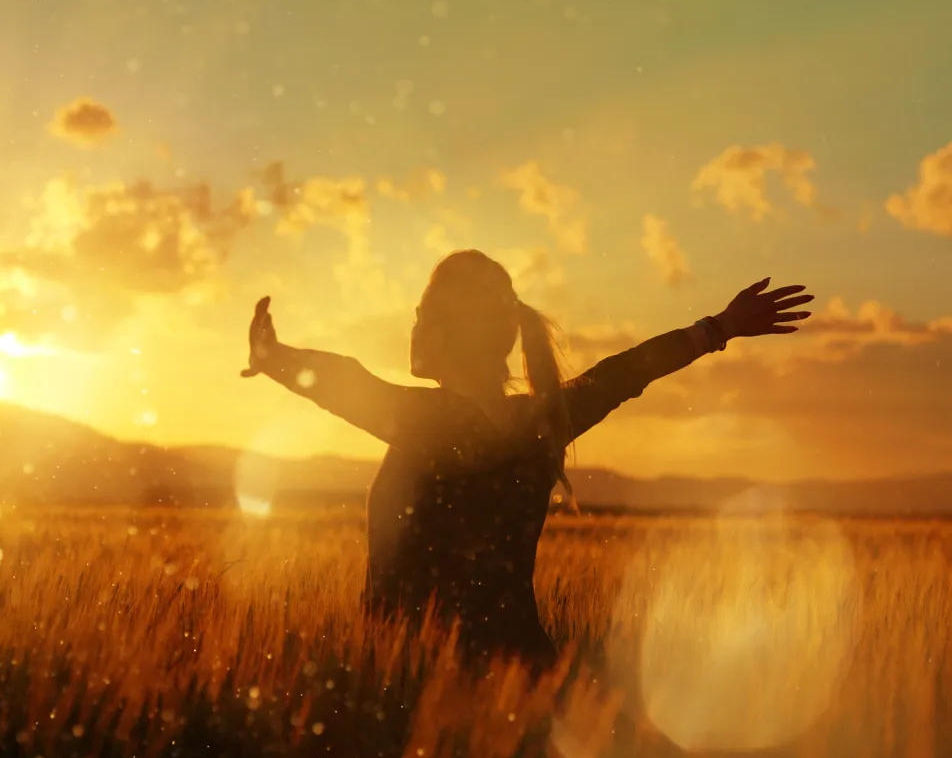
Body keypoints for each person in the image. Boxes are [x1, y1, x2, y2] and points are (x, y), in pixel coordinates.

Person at [240, 249, 813, 674]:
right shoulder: (544, 420)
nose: (413, 325)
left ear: (449, 330)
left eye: (423, 313)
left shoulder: (428, 423)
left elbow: (346, 382)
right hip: (523, 676)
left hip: (426, 687)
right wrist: (717, 328)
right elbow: (624, 372)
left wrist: (275, 357)